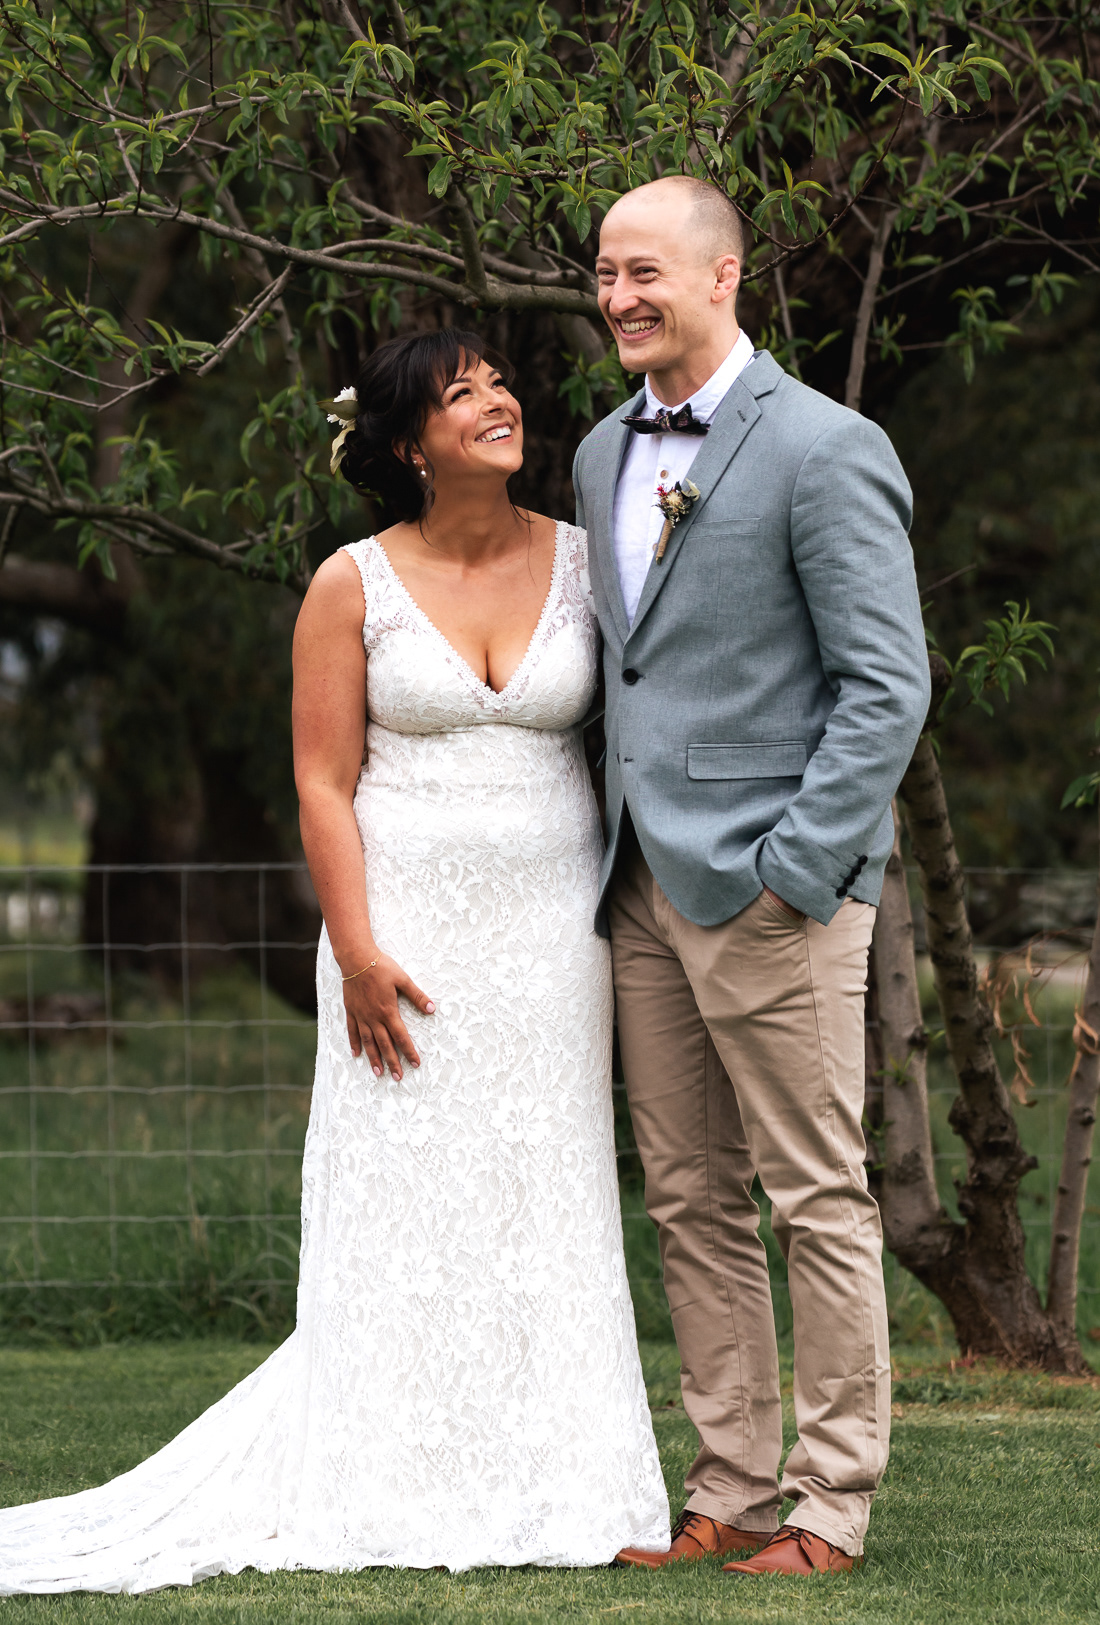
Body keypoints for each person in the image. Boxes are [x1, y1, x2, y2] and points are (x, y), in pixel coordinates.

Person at [0, 329, 668, 1595]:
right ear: (409, 443)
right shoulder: (349, 583)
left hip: (549, 938)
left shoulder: (590, 562)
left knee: (541, 1185)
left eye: (498, 382)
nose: (496, 401)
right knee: (406, 1191)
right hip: (397, 928)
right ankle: (396, 1468)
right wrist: (354, 950)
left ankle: (559, 1468)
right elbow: (320, 779)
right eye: (461, 392)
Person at [574, 176, 930, 1578]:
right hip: (640, 889)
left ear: (724, 275)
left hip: (777, 890)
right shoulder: (598, 451)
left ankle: (832, 1502)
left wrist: (800, 868)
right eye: (606, 272)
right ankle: (728, 1483)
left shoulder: (827, 447)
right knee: (689, 1198)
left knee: (813, 1196)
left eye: (645, 271)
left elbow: (885, 684)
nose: (619, 296)